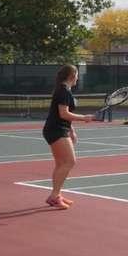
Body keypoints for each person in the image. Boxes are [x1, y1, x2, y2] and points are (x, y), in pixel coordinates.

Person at [42, 65, 95, 209]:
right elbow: (63, 114)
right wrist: (84, 117)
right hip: (56, 130)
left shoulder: (64, 90)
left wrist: (72, 130)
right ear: (72, 75)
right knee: (69, 162)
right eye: (77, 74)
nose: (78, 77)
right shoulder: (64, 91)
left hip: (58, 129)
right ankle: (54, 196)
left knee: (61, 164)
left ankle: (56, 195)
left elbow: (64, 116)